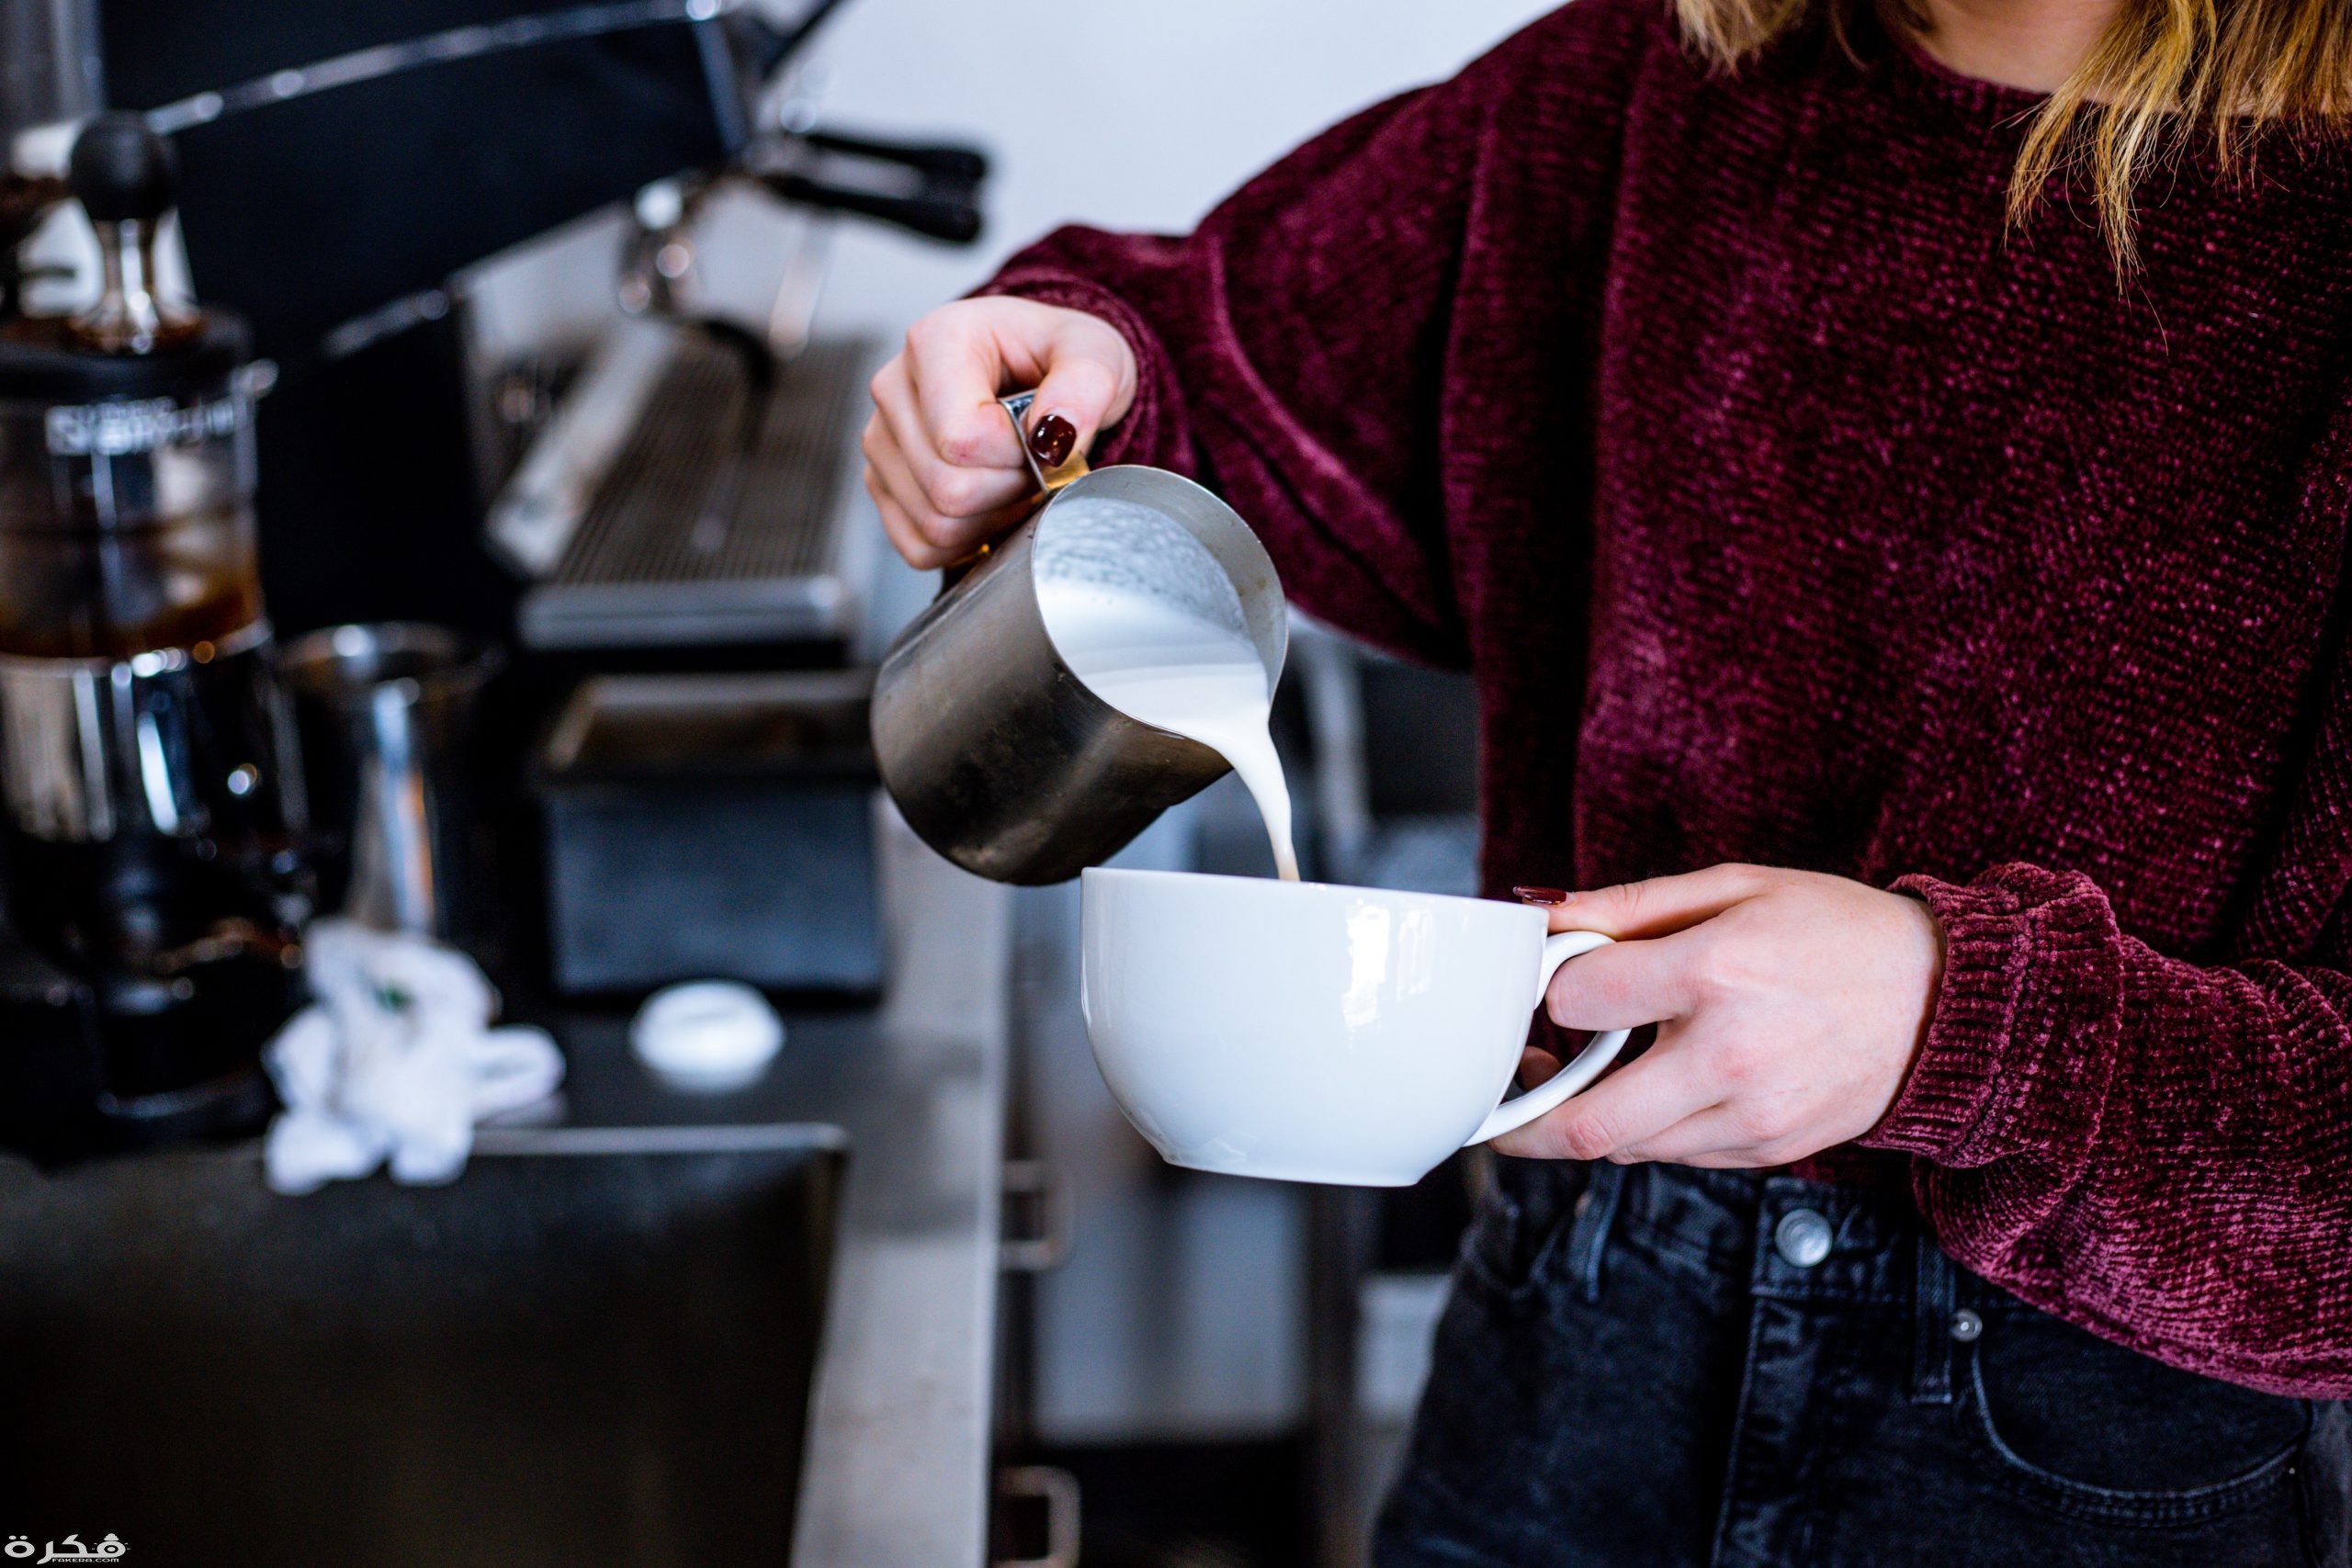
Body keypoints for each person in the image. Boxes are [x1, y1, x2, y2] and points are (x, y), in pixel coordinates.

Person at [862, 0, 2352, 1561]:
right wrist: (1070, 378)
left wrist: (1969, 1029)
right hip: (1572, 1341)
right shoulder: (1654, 90)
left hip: (2101, 1444)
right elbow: (1222, 379)